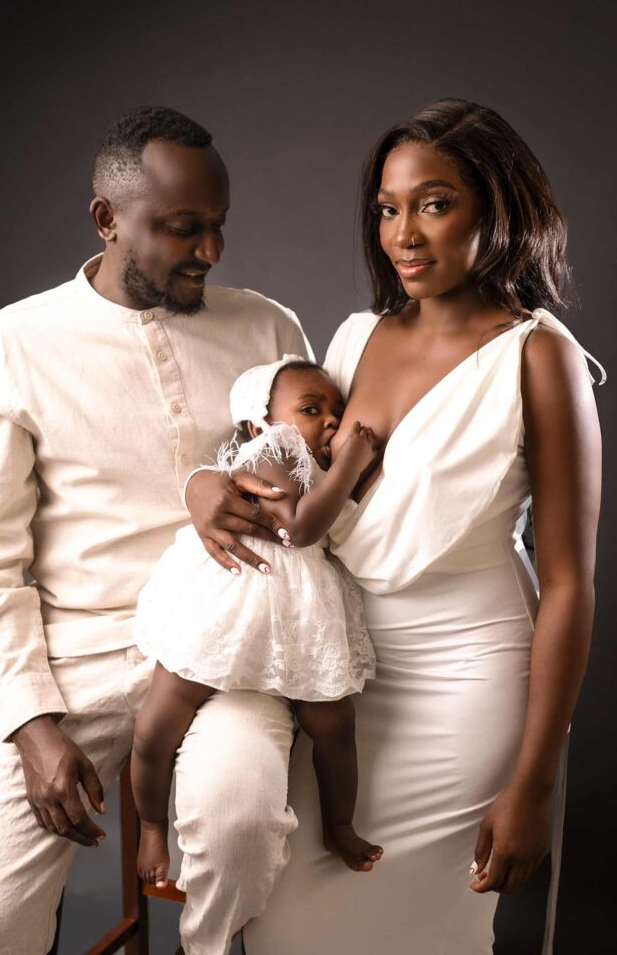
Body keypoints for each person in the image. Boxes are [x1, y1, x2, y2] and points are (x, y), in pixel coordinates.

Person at [187, 98, 607, 954]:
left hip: (469, 680)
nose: (403, 234)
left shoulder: (538, 354)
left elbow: (568, 584)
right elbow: (274, 474)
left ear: (496, 208)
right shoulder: (354, 338)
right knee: (288, 929)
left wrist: (533, 783)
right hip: (339, 676)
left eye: (435, 203)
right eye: (387, 208)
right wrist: (202, 483)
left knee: (420, 930)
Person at [0, 106, 313, 955]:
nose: (210, 253)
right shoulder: (11, 345)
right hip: (77, 665)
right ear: (108, 220)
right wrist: (32, 724)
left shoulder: (268, 328)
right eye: (182, 229)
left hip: (228, 652)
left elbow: (312, 490)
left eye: (218, 227)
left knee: (246, 825)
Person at [132, 357, 383, 889]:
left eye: (336, 412)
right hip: (231, 599)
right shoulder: (274, 449)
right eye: (311, 410)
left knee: (334, 724)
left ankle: (339, 823)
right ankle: (151, 825)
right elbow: (298, 530)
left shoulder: (309, 458)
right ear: (257, 423)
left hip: (296, 607)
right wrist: (351, 463)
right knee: (160, 719)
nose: (332, 423)